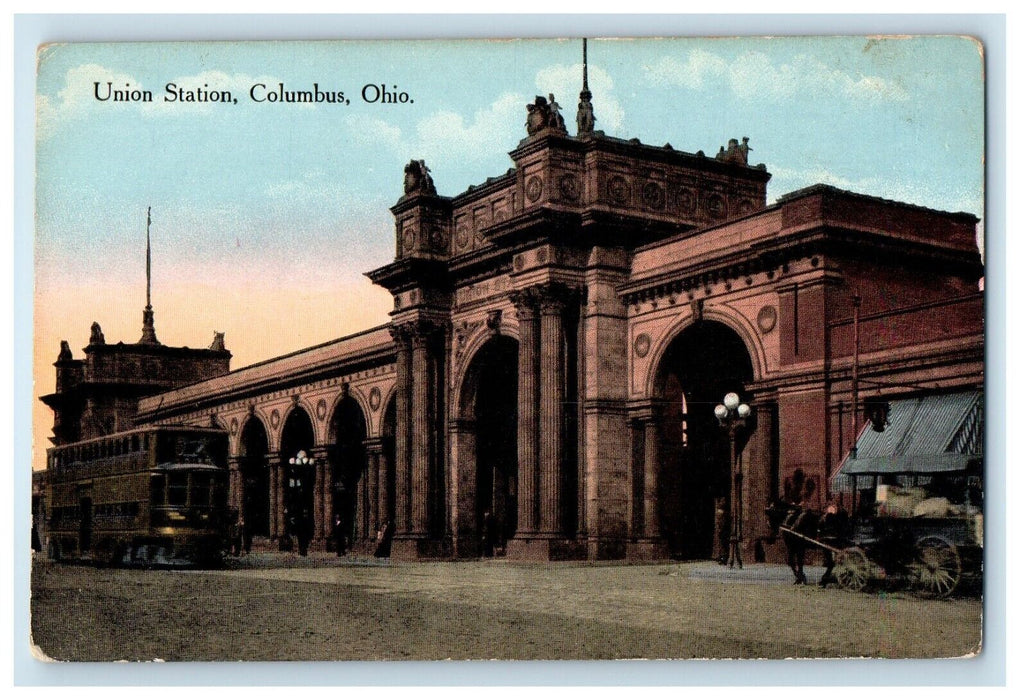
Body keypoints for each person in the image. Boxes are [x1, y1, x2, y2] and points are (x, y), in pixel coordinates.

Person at [818, 499, 849, 587]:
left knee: (830, 560)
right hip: (841, 534)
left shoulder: (834, 513)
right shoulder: (843, 511)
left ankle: (827, 577)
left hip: (834, 536)